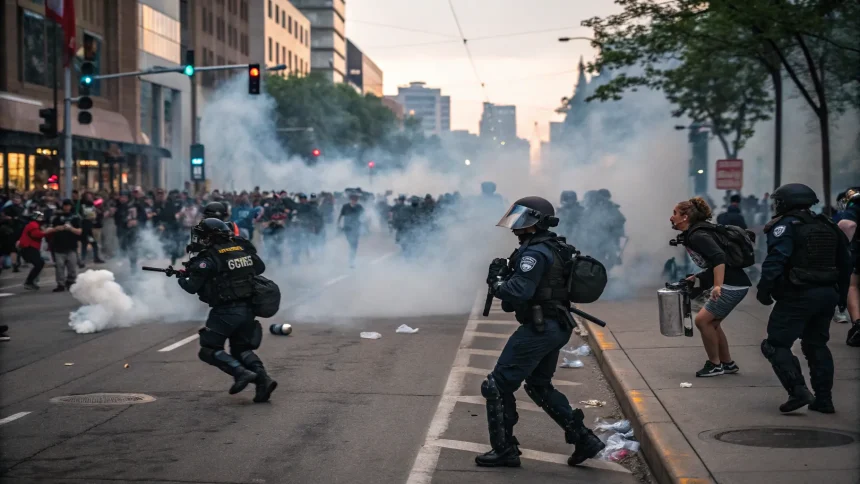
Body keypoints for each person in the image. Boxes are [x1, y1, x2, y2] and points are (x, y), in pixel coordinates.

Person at [476, 196, 605, 468]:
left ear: (537, 222)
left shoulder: (533, 253)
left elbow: (518, 292)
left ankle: (504, 451)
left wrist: (498, 280)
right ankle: (585, 440)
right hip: (554, 325)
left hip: (540, 327)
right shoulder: (554, 246)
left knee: (497, 386)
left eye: (523, 220)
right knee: (538, 385)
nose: (516, 226)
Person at [756, 183, 852, 413]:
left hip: (797, 294)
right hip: (827, 293)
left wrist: (764, 289)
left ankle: (797, 391)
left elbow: (776, 259)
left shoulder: (785, 226)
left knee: (775, 344)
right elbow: (846, 262)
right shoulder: (828, 224)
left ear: (785, 202)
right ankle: (824, 400)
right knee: (816, 344)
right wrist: (842, 296)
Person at [177, 218, 277, 403]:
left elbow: (191, 287)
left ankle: (240, 373)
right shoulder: (240, 248)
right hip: (248, 308)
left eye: (203, 235)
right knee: (241, 349)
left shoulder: (208, 258)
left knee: (208, 350)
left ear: (210, 237)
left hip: (225, 311)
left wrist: (182, 278)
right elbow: (259, 268)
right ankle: (263, 381)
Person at [670, 197, 751, 377]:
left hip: (732, 285)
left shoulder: (698, 235)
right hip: (735, 283)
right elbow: (713, 263)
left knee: (702, 321)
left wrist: (717, 286)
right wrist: (698, 277)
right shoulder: (696, 233)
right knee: (713, 323)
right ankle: (727, 363)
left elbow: (719, 258)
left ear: (685, 217)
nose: (671, 217)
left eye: (675, 213)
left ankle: (715, 364)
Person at [49, 199, 83, 292]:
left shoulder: (75, 217)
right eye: (65, 205)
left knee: (72, 267)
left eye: (68, 205)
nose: (66, 207)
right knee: (59, 267)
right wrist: (58, 228)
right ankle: (60, 284)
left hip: (71, 246)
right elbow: (51, 229)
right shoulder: (57, 217)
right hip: (59, 246)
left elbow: (79, 231)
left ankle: (70, 282)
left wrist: (71, 228)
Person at [17, 211, 56, 290]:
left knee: (39, 263)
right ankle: (29, 282)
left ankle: (31, 281)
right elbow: (36, 234)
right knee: (39, 263)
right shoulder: (33, 224)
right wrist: (47, 231)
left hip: (30, 247)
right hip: (29, 247)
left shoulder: (34, 224)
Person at [338, 193, 364, 268]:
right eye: (353, 199)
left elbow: (363, 216)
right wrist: (338, 225)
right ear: (350, 200)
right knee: (352, 244)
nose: (354, 201)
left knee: (354, 246)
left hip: (356, 229)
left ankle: (351, 260)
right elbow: (341, 215)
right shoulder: (345, 206)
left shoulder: (359, 207)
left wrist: (362, 224)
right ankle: (351, 260)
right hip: (347, 229)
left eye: (355, 200)